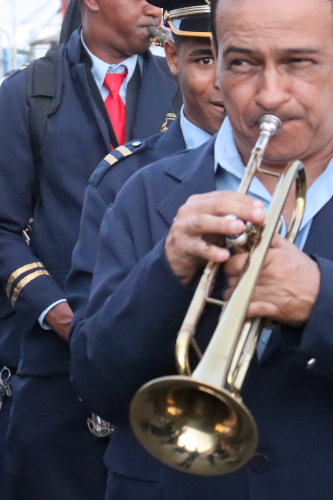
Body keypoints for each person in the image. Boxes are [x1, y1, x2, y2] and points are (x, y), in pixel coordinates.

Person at [71, 0, 333, 498]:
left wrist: (322, 299)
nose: (269, 94)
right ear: (216, 63)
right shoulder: (143, 192)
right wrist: (166, 270)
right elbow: (97, 384)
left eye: (298, 62)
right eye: (242, 63)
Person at [0, 0, 180, 497]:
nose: (155, 8)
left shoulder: (179, 85)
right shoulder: (27, 92)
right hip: (53, 360)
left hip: (162, 353)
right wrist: (60, 314)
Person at [64, 1, 222, 496]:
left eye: (243, 61)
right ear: (172, 58)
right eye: (205, 59)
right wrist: (167, 269)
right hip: (157, 472)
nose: (225, 81)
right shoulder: (127, 182)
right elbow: (93, 367)